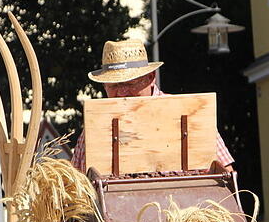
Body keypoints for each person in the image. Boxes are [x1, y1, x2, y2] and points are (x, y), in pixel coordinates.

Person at [71, 39, 234, 173]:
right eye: (113, 86)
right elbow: (75, 184)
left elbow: (225, 174)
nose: (121, 93)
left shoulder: (189, 113)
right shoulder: (95, 126)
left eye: (129, 84)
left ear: (150, 78)